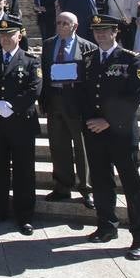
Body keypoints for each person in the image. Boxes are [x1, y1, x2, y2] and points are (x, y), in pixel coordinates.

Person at [82, 14, 140, 260]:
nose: (100, 35)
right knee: (101, 182)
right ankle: (106, 226)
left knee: (131, 185)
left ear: (115, 33)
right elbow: (85, 94)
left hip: (120, 132)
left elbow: (133, 97)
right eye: (97, 31)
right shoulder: (89, 59)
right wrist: (89, 121)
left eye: (105, 31)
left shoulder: (132, 60)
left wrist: (107, 121)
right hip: (95, 133)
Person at [0, 17, 42, 235]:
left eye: (9, 34)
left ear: (19, 35)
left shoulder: (31, 60)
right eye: (2, 35)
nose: (5, 38)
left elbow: (35, 88)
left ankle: (24, 216)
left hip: (21, 123)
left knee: (24, 171)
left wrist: (12, 105)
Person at [39, 11, 95, 208]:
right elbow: (44, 74)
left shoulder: (88, 47)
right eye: (58, 22)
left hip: (76, 103)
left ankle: (86, 189)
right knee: (58, 146)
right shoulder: (47, 45)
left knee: (82, 148)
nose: (61, 26)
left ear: (75, 26)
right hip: (55, 101)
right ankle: (62, 187)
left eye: (65, 23)